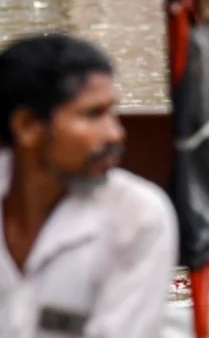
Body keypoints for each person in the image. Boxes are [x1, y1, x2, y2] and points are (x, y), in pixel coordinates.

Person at [0, 34, 178, 338]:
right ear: (27, 126)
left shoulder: (137, 216)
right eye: (93, 115)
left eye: (112, 113)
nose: (115, 134)